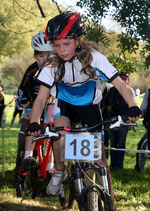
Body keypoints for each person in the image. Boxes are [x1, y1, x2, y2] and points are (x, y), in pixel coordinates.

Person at [26, 12, 142, 210]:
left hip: (90, 106)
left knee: (100, 161)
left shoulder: (95, 58)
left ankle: (111, 205)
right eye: (56, 45)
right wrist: (35, 121)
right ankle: (59, 170)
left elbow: (122, 86)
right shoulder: (51, 64)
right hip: (66, 105)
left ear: (78, 40)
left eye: (66, 44)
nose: (61, 50)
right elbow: (41, 97)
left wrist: (133, 106)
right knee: (60, 133)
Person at [15, 32, 54, 179]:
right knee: (33, 119)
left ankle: (50, 166)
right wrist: (23, 99)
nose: (45, 60)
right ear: (35, 56)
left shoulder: (56, 68)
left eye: (48, 56)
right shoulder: (32, 70)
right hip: (32, 104)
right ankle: (28, 157)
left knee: (50, 130)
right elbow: (22, 88)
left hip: (50, 104)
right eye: (41, 56)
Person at [102, 72, 134, 170]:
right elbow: (104, 102)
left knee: (121, 144)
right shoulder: (112, 91)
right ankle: (113, 165)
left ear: (128, 81)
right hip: (111, 120)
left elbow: (132, 107)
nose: (123, 80)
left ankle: (119, 165)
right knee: (113, 143)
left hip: (123, 121)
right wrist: (108, 107)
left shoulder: (130, 92)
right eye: (122, 79)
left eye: (125, 79)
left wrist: (130, 122)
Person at [134, 88, 150, 171]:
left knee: (142, 145)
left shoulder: (148, 91)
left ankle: (139, 167)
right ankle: (139, 167)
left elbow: (143, 107)